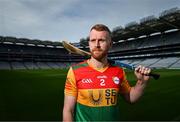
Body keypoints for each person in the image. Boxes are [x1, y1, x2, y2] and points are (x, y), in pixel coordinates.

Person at [63, 24, 151, 121]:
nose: (96, 45)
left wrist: (141, 82)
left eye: (101, 40)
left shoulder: (118, 70)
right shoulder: (75, 71)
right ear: (89, 44)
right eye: (93, 40)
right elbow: (68, 110)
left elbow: (131, 98)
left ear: (110, 44)